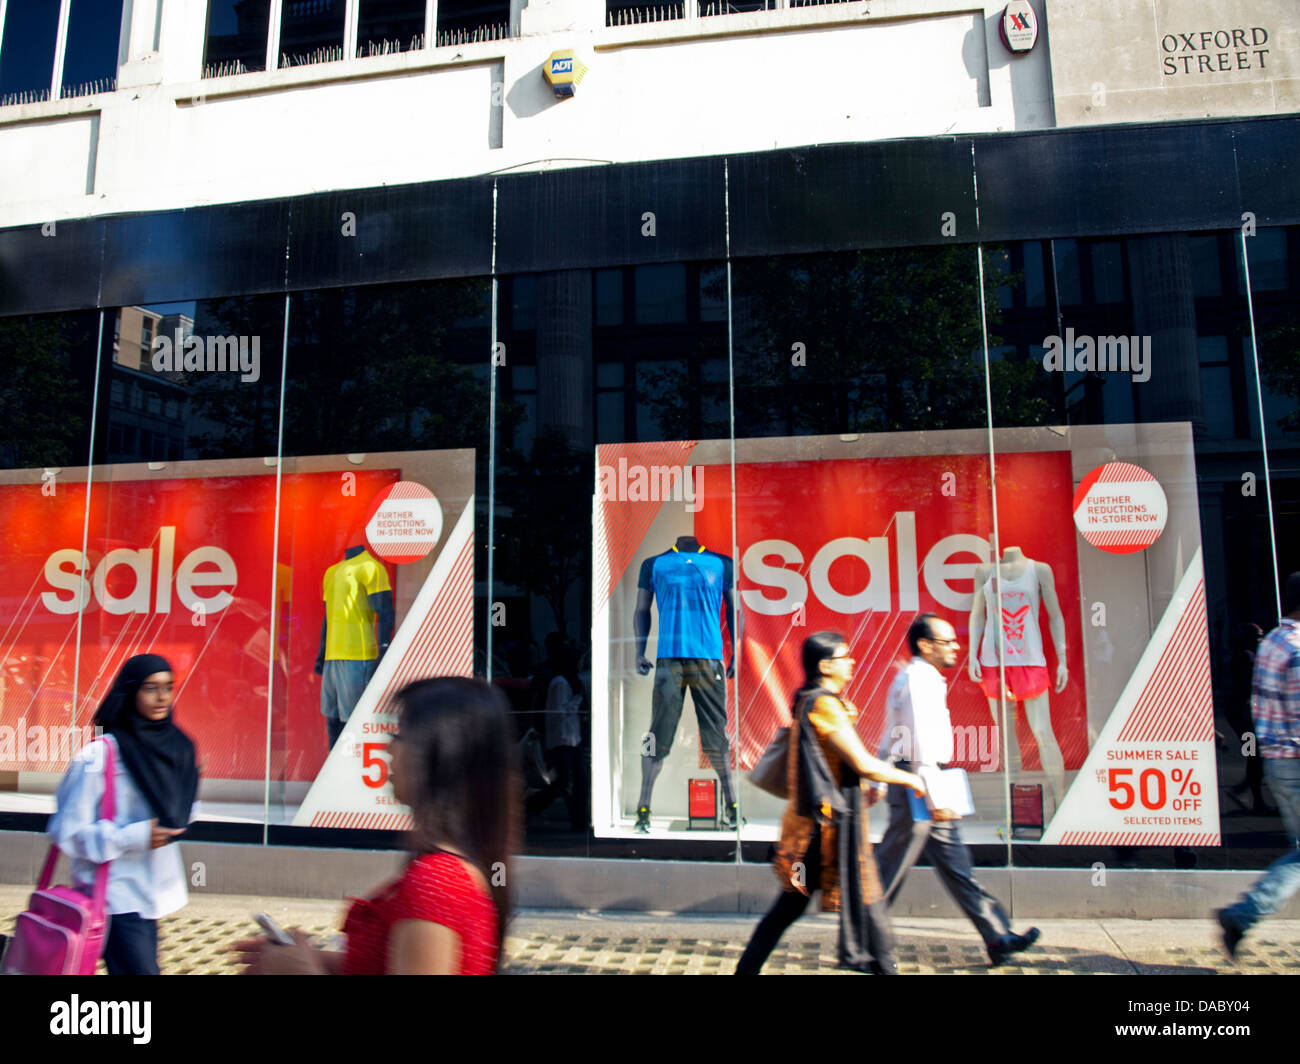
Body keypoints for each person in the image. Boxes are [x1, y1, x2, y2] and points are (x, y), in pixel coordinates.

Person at [234, 676, 518, 974]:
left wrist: (301, 970)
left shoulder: (437, 882)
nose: (387, 748)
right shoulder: (448, 869)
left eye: (400, 734)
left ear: (438, 756)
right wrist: (312, 960)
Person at [735, 632, 926, 975]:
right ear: (825, 666)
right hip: (821, 836)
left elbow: (838, 762)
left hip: (822, 832)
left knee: (800, 907)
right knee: (850, 902)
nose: (851, 662)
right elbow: (862, 762)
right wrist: (911, 779)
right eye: (844, 657)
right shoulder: (823, 704)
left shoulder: (815, 700)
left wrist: (865, 784)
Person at [872, 614, 1041, 968]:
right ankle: (863, 945)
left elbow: (892, 734)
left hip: (925, 781)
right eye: (946, 641)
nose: (955, 646)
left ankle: (997, 937)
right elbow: (917, 742)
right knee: (889, 869)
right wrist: (932, 794)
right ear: (925, 645)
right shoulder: (918, 678)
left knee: (956, 867)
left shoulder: (922, 677)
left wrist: (882, 773)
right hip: (920, 783)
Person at [48, 653, 200, 975]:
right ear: (130, 692)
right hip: (115, 894)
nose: (162, 697)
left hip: (153, 893)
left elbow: (180, 814)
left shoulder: (178, 748)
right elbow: (66, 831)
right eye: (150, 688)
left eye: (168, 687)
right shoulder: (101, 755)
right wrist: (134, 836)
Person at [1215, 573, 1300, 958]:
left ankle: (1245, 914)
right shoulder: (1296, 649)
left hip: (1277, 761)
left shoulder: (1271, 643)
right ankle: (1245, 912)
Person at [526, 642, 588, 829]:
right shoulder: (560, 683)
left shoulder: (566, 681)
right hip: (563, 740)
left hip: (571, 739)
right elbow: (557, 713)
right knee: (565, 782)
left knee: (572, 781)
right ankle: (532, 807)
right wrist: (576, 702)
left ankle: (578, 820)